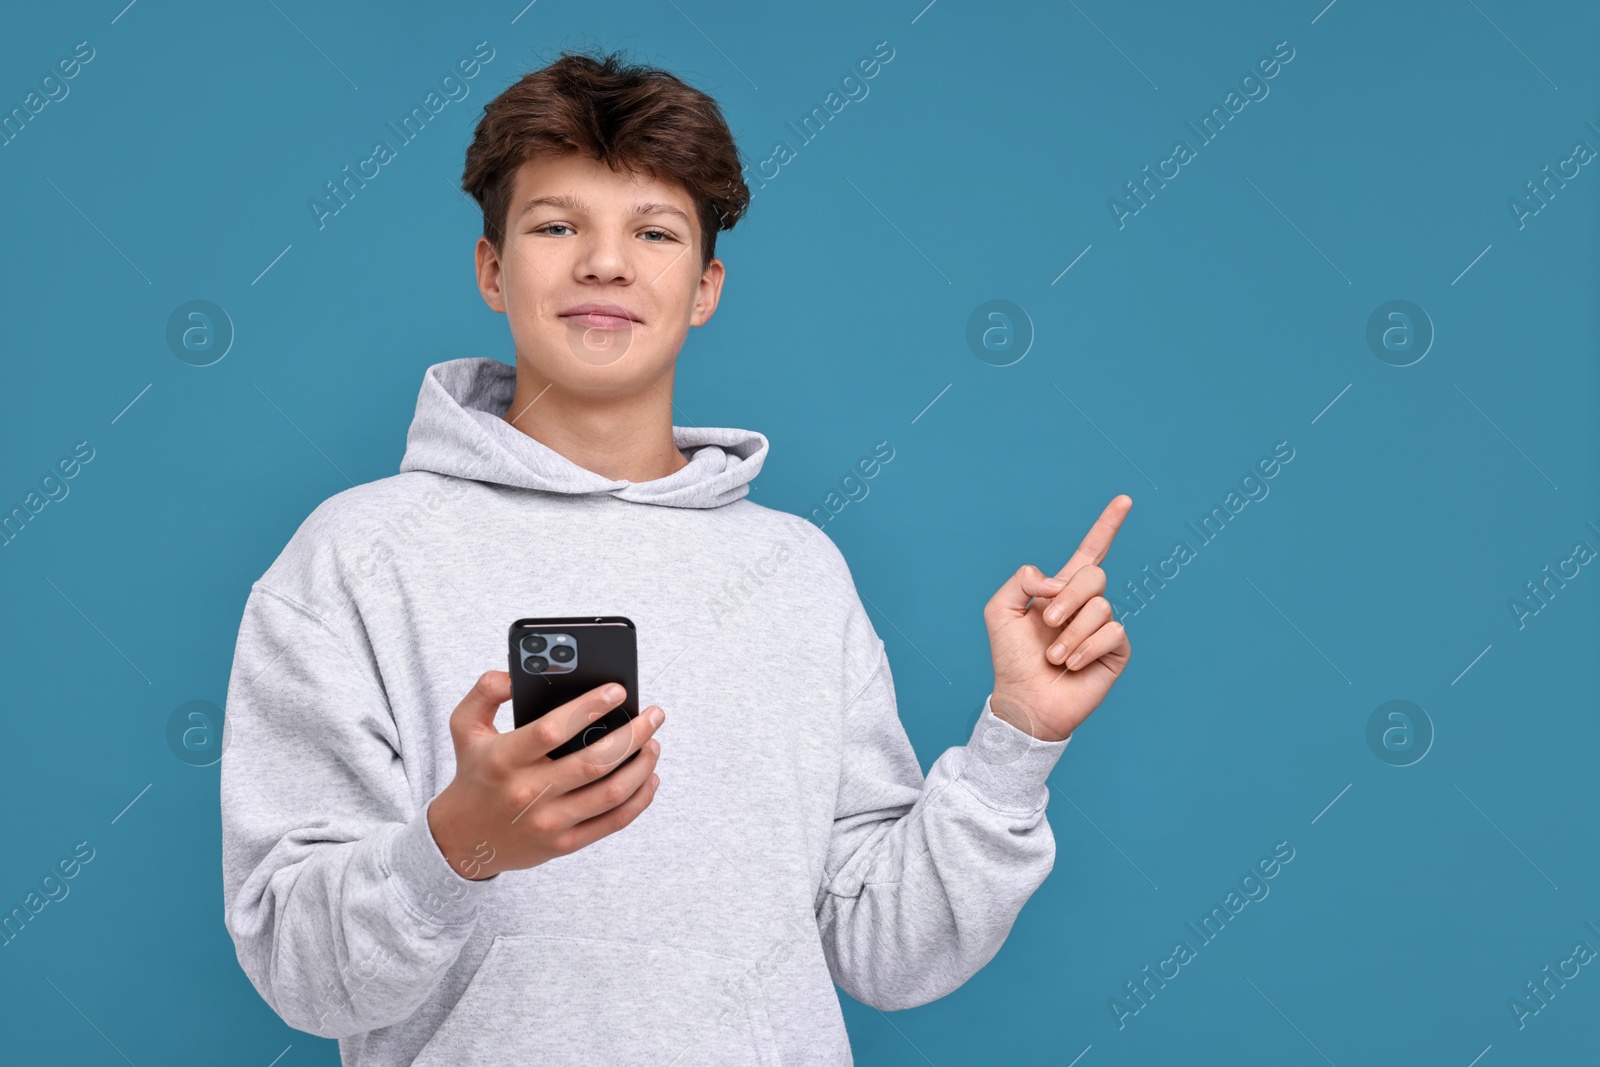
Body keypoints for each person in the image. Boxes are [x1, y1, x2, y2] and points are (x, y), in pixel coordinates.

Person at [220, 48, 1133, 1067]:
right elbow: (299, 971)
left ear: (704, 288)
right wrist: (458, 843)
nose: (604, 263)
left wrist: (1016, 737)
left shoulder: (797, 570)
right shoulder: (354, 557)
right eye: (557, 225)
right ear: (490, 269)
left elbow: (885, 949)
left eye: (652, 232)